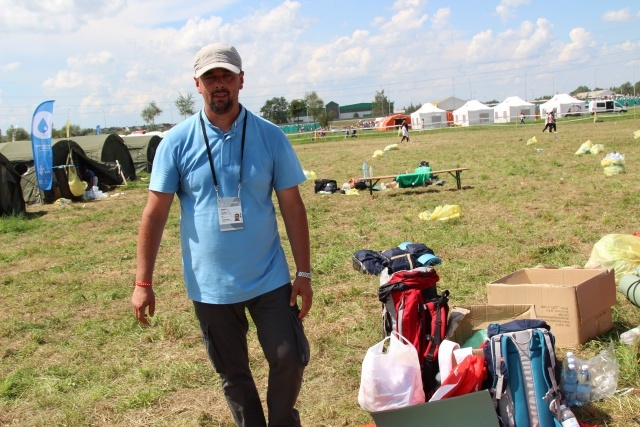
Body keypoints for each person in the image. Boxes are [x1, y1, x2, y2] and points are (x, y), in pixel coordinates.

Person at [131, 43, 312, 427]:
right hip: (210, 285)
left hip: (269, 278)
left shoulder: (270, 136)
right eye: (210, 77)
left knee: (289, 355)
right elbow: (154, 214)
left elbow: (293, 207)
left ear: (241, 80)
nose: (219, 84)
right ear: (196, 84)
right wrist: (143, 281)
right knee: (232, 372)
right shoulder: (175, 143)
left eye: (226, 75)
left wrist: (305, 273)